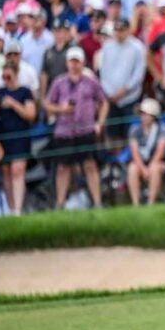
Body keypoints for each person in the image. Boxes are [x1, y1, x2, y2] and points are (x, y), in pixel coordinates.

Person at [45, 47, 108, 209]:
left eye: (77, 61)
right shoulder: (59, 82)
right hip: (64, 131)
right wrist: (61, 109)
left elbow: (104, 101)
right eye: (71, 61)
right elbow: (47, 104)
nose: (74, 65)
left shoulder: (90, 82)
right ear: (67, 63)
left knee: (89, 165)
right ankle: (60, 203)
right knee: (63, 168)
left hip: (85, 129)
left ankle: (97, 202)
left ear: (82, 63)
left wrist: (99, 123)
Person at [0, 62, 36, 216]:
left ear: (15, 74)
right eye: (3, 76)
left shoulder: (25, 92)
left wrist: (13, 104)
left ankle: (18, 209)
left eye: (8, 75)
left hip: (20, 135)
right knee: (6, 172)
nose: (6, 79)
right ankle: (11, 208)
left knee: (17, 170)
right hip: (3, 136)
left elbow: (31, 114)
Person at [98, 18, 146, 149]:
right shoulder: (107, 47)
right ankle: (116, 161)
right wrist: (109, 93)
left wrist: (124, 90)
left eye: (122, 30)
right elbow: (103, 72)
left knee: (130, 132)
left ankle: (129, 159)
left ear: (128, 30)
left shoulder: (137, 47)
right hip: (111, 98)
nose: (119, 33)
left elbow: (138, 74)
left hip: (130, 98)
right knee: (113, 132)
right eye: (116, 30)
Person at [127, 97, 165, 205]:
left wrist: (150, 167)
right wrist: (143, 168)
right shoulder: (134, 129)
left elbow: (161, 151)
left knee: (155, 168)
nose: (143, 116)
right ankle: (135, 203)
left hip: (159, 162)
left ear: (153, 116)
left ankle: (151, 203)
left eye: (146, 114)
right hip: (140, 162)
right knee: (132, 168)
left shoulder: (162, 128)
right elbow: (134, 152)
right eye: (142, 113)